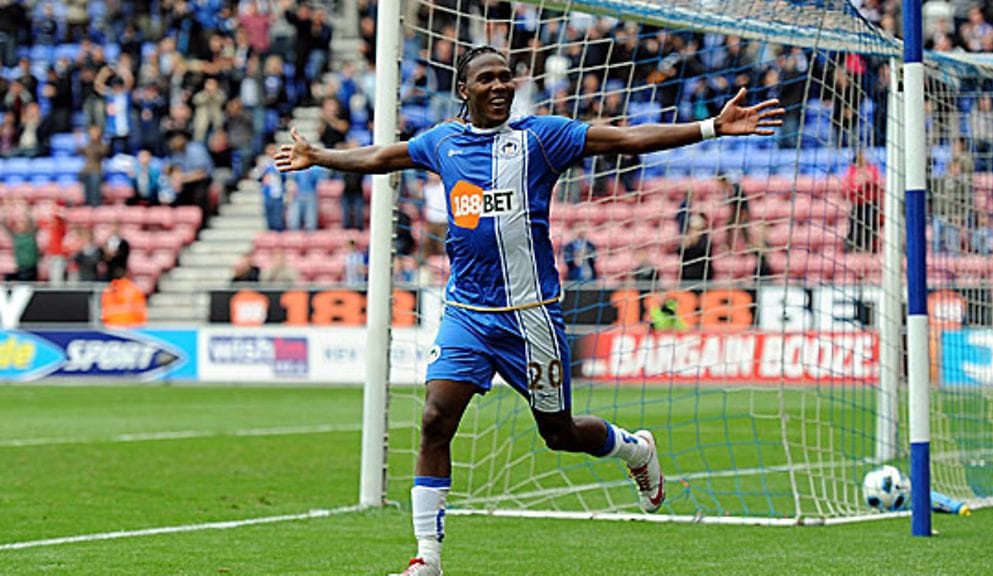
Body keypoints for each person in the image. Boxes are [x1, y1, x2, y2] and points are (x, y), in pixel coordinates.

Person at [274, 45, 782, 576]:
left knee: (559, 434)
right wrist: (320, 156)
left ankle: (635, 451)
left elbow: (626, 139)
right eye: (486, 79)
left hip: (531, 315)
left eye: (506, 77)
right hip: (467, 313)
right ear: (464, 91)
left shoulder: (542, 137)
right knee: (434, 420)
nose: (499, 86)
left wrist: (711, 128)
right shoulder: (442, 142)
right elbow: (382, 157)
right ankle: (428, 558)